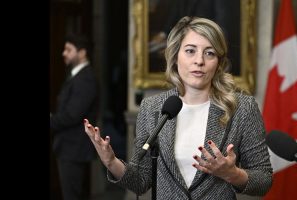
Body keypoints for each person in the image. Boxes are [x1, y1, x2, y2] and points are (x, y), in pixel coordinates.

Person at [84, 16, 273, 199]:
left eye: (209, 53)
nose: (199, 60)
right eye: (190, 51)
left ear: (218, 62)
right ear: (175, 56)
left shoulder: (242, 109)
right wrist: (111, 161)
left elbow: (264, 181)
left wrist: (232, 173)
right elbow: (141, 181)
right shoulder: (152, 108)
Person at [50, 33, 98, 200]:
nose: (64, 53)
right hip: (68, 147)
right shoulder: (76, 75)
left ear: (82, 53)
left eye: (68, 49)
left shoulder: (86, 79)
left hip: (74, 149)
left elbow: (72, 115)